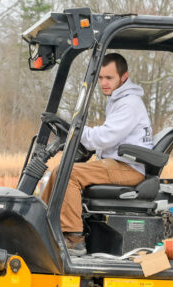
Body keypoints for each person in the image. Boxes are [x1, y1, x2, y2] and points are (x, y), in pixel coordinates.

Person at [42, 53, 153, 255]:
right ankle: (42, 223)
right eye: (100, 78)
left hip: (128, 167)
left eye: (109, 78)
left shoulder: (130, 103)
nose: (103, 83)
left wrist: (75, 130)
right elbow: (106, 138)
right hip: (118, 163)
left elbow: (105, 137)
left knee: (68, 173)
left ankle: (74, 239)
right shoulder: (118, 100)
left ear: (124, 76)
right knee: (59, 172)